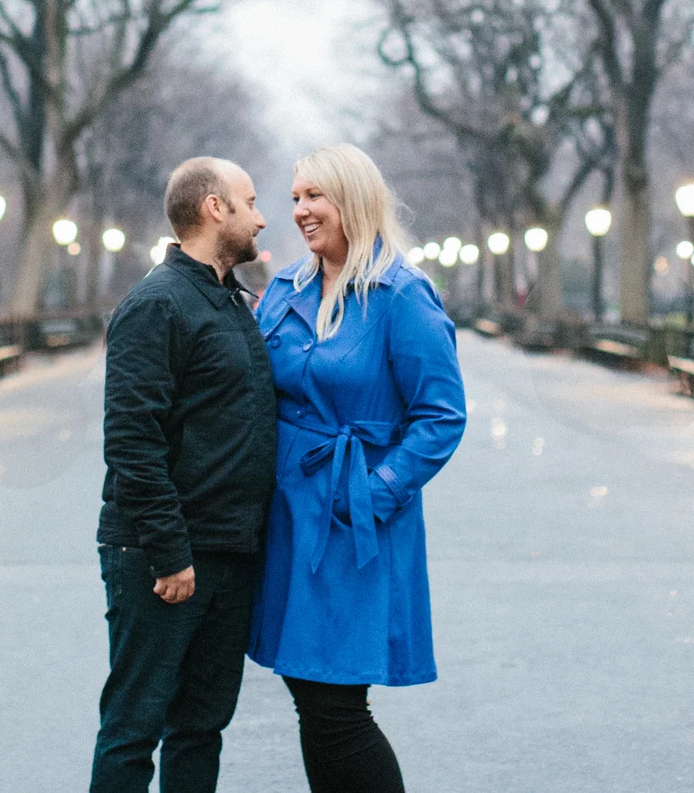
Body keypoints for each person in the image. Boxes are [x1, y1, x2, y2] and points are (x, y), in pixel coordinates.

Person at [249, 144, 466, 793]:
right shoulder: (285, 290)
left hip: (354, 522)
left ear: (354, 199)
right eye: (294, 199)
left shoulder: (401, 295)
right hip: (287, 515)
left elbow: (441, 416)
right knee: (311, 697)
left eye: (315, 196)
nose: (301, 211)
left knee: (337, 705)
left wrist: (375, 492)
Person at [91, 156, 276, 793]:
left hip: (227, 553)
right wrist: (170, 553)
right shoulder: (156, 305)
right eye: (250, 202)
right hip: (162, 557)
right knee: (134, 726)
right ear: (214, 208)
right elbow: (132, 441)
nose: (262, 217)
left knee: (201, 726)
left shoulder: (229, 300)